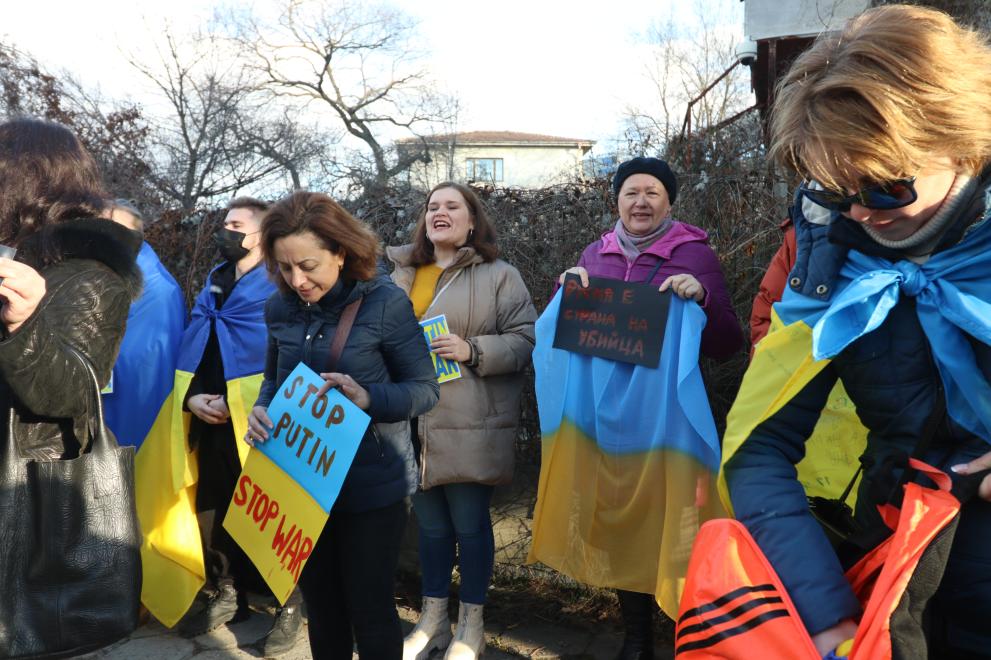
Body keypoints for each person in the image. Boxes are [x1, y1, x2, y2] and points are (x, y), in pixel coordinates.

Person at [723, 5, 991, 658]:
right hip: (894, 589)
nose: (861, 215)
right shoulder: (825, 264)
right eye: (837, 189)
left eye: (885, 187)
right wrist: (824, 610)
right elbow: (758, 449)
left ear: (963, 144)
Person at [549, 156, 743, 659]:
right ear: (616, 200)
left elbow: (727, 343)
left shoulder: (695, 254)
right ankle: (637, 638)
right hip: (608, 423)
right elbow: (566, 338)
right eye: (631, 192)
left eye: (652, 193)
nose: (641, 201)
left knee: (680, 523)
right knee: (621, 526)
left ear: (669, 201)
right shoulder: (594, 253)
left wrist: (700, 299)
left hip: (669, 420)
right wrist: (563, 293)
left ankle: (689, 634)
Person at [247, 190, 439, 659]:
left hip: (373, 483)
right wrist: (262, 409)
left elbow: (425, 390)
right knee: (323, 607)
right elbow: (274, 380)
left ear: (341, 251)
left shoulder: (385, 304)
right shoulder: (278, 309)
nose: (297, 280)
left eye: (308, 266)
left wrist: (368, 397)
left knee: (369, 607)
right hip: (303, 481)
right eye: (285, 267)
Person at [0, 118, 142, 656]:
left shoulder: (90, 274)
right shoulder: (16, 259)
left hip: (27, 500)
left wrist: (25, 323)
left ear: (27, 178)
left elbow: (70, 395)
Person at [386, 182, 537, 660]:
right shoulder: (400, 275)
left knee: (470, 526)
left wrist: (472, 349)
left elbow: (526, 340)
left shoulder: (499, 275)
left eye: (453, 206)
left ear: (472, 221)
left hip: (472, 420)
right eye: (433, 206)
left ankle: (472, 626)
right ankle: (432, 622)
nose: (440, 213)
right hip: (411, 421)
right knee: (430, 529)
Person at [175, 197, 303, 656]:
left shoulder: (280, 282)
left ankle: (289, 601)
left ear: (261, 234)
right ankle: (229, 591)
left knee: (270, 505)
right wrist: (192, 397)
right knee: (216, 506)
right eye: (224, 223)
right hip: (210, 415)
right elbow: (199, 343)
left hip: (259, 417)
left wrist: (242, 400)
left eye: (235, 225)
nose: (224, 232)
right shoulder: (215, 280)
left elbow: (286, 352)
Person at [101, 198, 186, 447]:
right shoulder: (109, 272)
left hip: (131, 408)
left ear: (135, 236)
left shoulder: (159, 290)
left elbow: (150, 367)